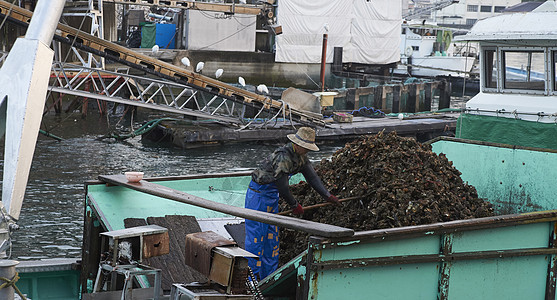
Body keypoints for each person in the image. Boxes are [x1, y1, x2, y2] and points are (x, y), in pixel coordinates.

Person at [244, 127, 340, 280]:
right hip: (258, 196)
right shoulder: (283, 157)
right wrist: (294, 205)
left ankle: (267, 279)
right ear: (298, 144)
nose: (307, 151)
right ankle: (250, 280)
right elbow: (282, 186)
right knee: (256, 239)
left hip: (271, 198)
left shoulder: (301, 157)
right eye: (306, 148)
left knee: (272, 240)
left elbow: (312, 177)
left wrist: (328, 196)